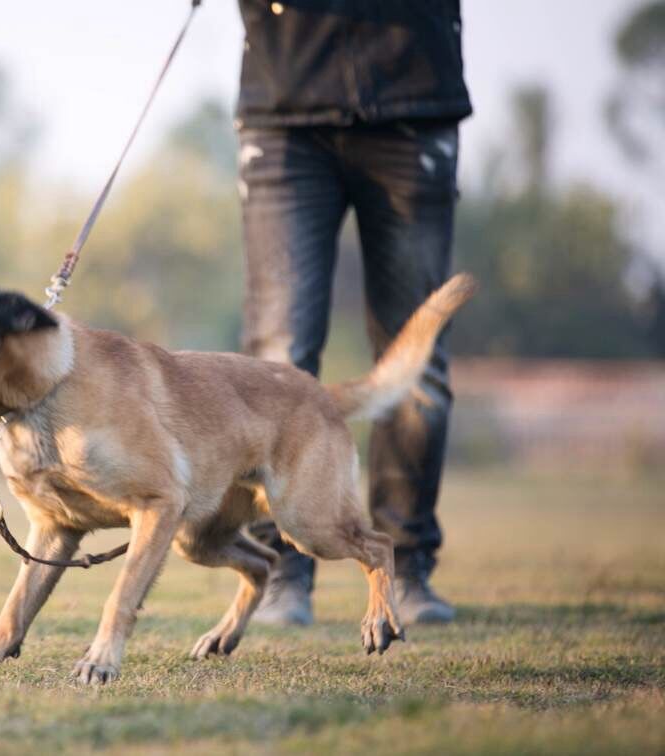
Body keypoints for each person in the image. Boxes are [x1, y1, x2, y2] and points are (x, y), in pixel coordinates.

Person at [234, 0, 473, 626]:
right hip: (283, 106)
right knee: (274, 359)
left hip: (413, 98)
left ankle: (410, 567)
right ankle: (282, 574)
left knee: (414, 368)